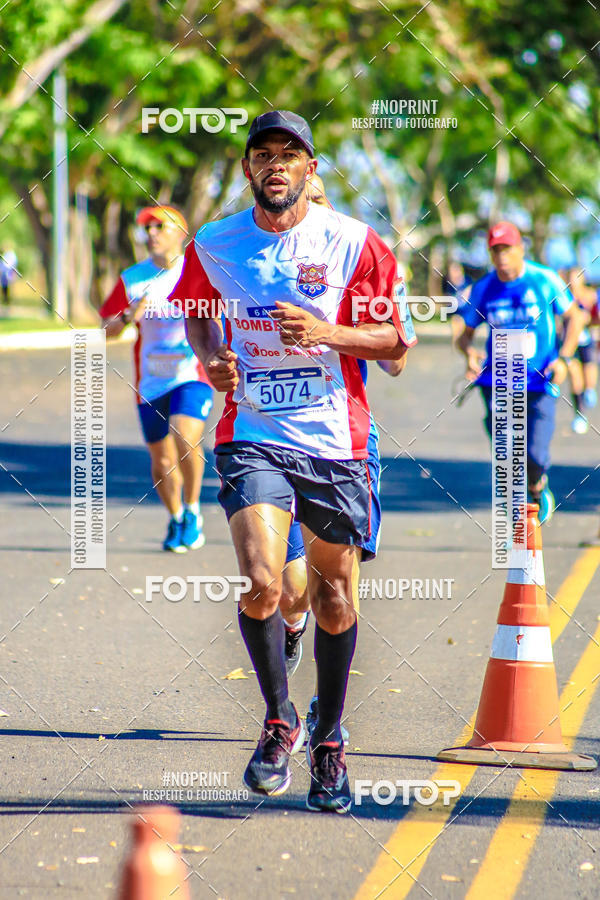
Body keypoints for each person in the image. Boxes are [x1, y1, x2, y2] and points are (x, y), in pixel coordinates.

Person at [171, 110, 416, 813]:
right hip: (252, 429)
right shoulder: (216, 242)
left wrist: (326, 332)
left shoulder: (352, 242)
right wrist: (210, 352)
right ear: (248, 169)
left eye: (291, 154)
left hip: (337, 441)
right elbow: (195, 306)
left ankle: (330, 739)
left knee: (333, 597)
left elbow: (398, 343)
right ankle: (280, 719)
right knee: (261, 582)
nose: (276, 164)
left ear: (312, 169)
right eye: (263, 154)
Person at [280, 174, 407, 750]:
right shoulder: (266, 262)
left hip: (344, 440)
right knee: (288, 587)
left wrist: (331, 332)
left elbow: (396, 359)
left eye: (321, 202)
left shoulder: (356, 260)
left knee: (340, 582)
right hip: (273, 438)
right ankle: (288, 626)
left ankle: (327, 712)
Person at [99, 205, 213, 552]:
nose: (151, 233)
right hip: (150, 383)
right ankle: (176, 516)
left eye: (159, 226)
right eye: (147, 228)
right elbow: (105, 330)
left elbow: (220, 315)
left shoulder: (197, 273)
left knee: (185, 432)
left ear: (180, 231)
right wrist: (128, 315)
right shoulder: (133, 278)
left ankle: (193, 508)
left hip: (191, 375)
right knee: (161, 461)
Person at [457, 222, 585, 523]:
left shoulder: (544, 279)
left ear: (520, 249)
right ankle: (513, 515)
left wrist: (564, 359)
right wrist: (469, 354)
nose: (501, 256)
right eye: (495, 250)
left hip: (541, 381)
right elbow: (464, 334)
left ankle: (538, 486)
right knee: (506, 453)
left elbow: (574, 318)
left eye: (507, 248)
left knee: (535, 455)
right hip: (497, 382)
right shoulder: (484, 287)